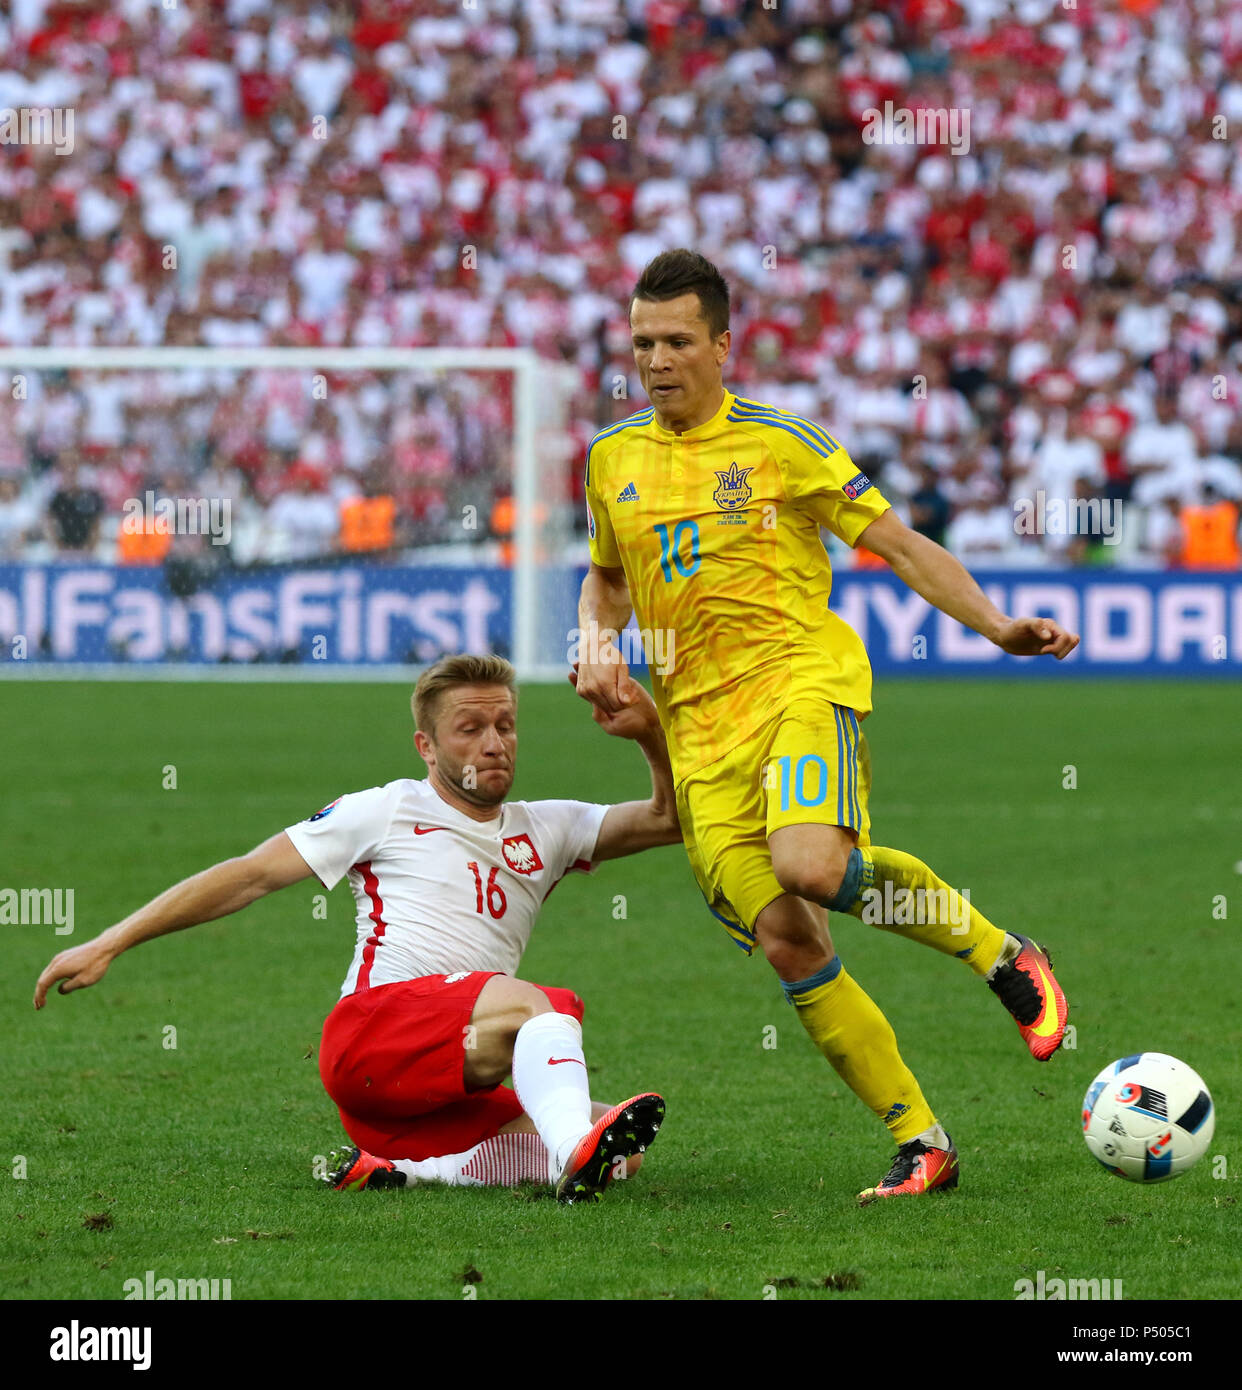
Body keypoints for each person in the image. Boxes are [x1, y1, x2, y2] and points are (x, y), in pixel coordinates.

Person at [575, 249, 1078, 1205]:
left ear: (725, 345)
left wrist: (998, 626)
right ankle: (921, 1142)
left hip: (800, 683)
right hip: (699, 732)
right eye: (642, 342)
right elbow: (604, 577)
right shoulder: (611, 459)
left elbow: (898, 544)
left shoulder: (781, 444)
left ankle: (1002, 954)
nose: (656, 360)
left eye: (678, 340)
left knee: (810, 862)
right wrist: (593, 642)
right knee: (788, 937)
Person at [34, 654, 681, 1204]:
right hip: (369, 1039)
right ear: (426, 747)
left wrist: (651, 733)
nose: (494, 742)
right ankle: (574, 1151)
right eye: (471, 727)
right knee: (538, 1012)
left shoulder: (551, 827)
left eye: (506, 725)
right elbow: (250, 874)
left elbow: (669, 819)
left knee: (623, 1152)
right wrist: (109, 940)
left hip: (440, 1078)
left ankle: (408, 1169)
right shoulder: (387, 809)